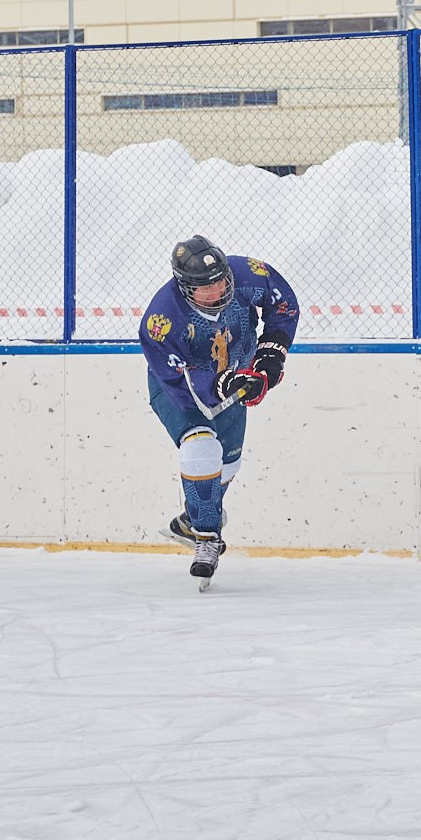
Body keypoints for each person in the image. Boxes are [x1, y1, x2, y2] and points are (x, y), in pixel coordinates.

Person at [139, 235, 300, 586]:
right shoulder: (161, 318)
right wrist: (223, 383)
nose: (216, 291)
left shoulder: (250, 274)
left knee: (228, 463)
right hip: (178, 388)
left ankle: (193, 518)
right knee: (201, 449)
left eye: (220, 281)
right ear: (184, 288)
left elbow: (283, 304)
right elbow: (176, 375)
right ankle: (207, 540)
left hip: (237, 372)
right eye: (205, 288)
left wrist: (271, 353)